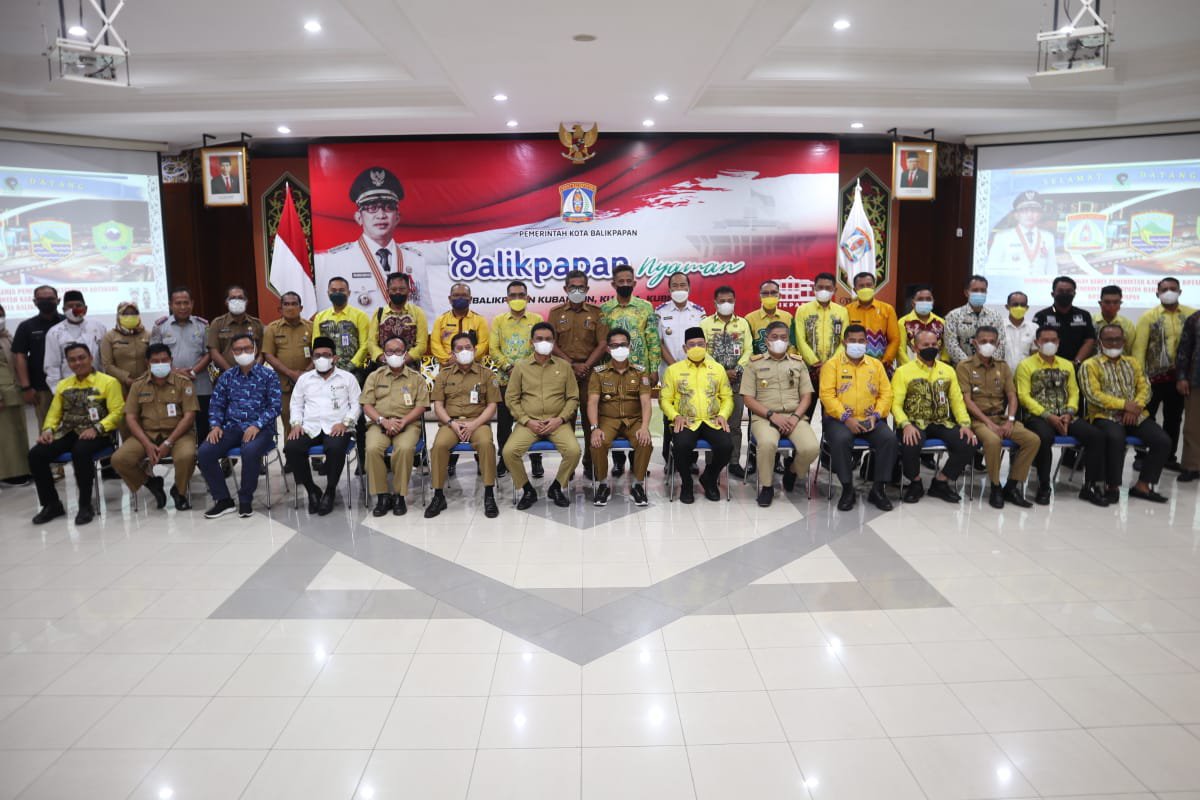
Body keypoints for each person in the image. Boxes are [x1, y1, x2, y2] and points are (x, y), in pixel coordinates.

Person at [28, 343, 124, 525]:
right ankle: (51, 504)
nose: (78, 363)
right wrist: (48, 430)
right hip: (69, 431)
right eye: (72, 360)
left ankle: (85, 505)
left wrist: (97, 428)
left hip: (100, 433)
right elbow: (54, 413)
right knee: (36, 454)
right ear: (68, 363)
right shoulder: (64, 385)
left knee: (80, 451)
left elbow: (118, 412)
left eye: (81, 358)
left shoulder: (109, 382)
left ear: (91, 358)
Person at [315, 167, 427, 314]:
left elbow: (426, 313)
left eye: (388, 207)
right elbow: (327, 313)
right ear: (359, 217)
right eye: (372, 208)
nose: (381, 215)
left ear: (397, 217)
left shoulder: (415, 259)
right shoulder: (338, 259)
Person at [1015, 326, 1107, 506]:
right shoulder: (1025, 365)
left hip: (1066, 415)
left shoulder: (1067, 365)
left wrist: (1069, 412)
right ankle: (1044, 486)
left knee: (1096, 436)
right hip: (1038, 416)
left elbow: (1074, 392)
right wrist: (1048, 415)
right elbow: (1024, 397)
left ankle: (1090, 486)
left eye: (1053, 340)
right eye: (1045, 340)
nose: (1050, 343)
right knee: (1044, 437)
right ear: (1036, 342)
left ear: (1059, 342)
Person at [1081, 324, 1172, 504]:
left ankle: (1142, 486)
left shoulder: (1133, 363)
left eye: (1118, 339)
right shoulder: (1089, 365)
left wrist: (1135, 407)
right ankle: (1112, 486)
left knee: (1163, 441)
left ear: (1124, 341)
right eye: (1109, 340)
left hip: (1136, 415)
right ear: (1100, 342)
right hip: (1104, 416)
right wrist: (1124, 405)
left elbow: (1145, 388)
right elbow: (1093, 394)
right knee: (1116, 438)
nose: (1114, 343)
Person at [197, 333, 282, 519]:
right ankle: (223, 500)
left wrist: (257, 425)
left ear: (255, 349)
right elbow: (216, 404)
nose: (243, 352)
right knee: (204, 452)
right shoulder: (227, 377)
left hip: (261, 429)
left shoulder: (268, 375)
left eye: (247, 348)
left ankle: (245, 499)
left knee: (249, 450)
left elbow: (275, 406)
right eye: (238, 350)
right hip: (231, 427)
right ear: (232, 353)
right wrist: (215, 426)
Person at [956, 326, 1039, 508]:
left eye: (992, 342)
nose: (988, 345)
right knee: (993, 441)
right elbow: (967, 401)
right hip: (978, 420)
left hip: (1001, 418)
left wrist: (1010, 420)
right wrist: (989, 424)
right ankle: (995, 487)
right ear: (975, 343)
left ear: (998, 344)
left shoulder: (1003, 366)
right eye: (983, 341)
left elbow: (1012, 396)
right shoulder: (964, 367)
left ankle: (1012, 486)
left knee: (1032, 440)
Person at [891, 329, 978, 504]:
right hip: (914, 422)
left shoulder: (948, 370)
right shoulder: (903, 372)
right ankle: (915, 482)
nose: (931, 348)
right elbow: (895, 404)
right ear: (915, 348)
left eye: (934, 344)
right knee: (910, 442)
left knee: (969, 442)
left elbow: (957, 401)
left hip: (942, 422)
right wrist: (905, 424)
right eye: (925, 345)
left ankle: (941, 482)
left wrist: (965, 424)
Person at [503, 322, 581, 509]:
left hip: (558, 423)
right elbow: (511, 398)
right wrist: (526, 421)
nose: (544, 342)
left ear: (554, 342)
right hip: (528, 423)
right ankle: (527, 489)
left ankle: (556, 487)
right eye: (539, 339)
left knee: (574, 451)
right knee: (508, 452)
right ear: (531, 342)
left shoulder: (564, 367)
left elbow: (573, 398)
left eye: (548, 339)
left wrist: (560, 419)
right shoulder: (521, 367)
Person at [741, 321, 820, 507]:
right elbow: (748, 399)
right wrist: (771, 415)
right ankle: (767, 487)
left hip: (794, 416)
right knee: (767, 444)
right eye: (774, 337)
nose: (779, 341)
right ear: (766, 340)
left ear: (788, 341)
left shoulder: (798, 363)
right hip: (765, 417)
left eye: (783, 337)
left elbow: (807, 396)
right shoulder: (754, 364)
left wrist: (795, 417)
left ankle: (792, 471)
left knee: (811, 448)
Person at [112, 343, 198, 510]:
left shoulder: (183, 383)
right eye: (155, 361)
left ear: (171, 360)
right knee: (119, 459)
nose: (160, 364)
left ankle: (179, 491)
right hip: (147, 434)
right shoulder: (138, 385)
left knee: (187, 456)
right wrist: (146, 444)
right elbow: (131, 417)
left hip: (179, 434)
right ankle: (151, 483)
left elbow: (189, 417)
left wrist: (168, 443)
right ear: (147, 363)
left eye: (164, 360)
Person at [819, 324, 896, 511]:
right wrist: (846, 418)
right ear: (844, 342)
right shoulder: (832, 365)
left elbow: (886, 394)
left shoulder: (875, 365)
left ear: (867, 342)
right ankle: (847, 489)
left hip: (870, 418)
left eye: (861, 341)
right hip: (839, 420)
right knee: (841, 439)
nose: (857, 344)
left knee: (889, 439)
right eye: (852, 340)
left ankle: (878, 489)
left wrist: (876, 416)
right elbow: (827, 395)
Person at [425, 333, 500, 519]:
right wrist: (451, 423)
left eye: (468, 347)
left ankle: (489, 494)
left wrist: (474, 424)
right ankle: (438, 495)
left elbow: (492, 406)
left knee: (486, 445)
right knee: (439, 446)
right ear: (452, 353)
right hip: (451, 423)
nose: (464, 351)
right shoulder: (443, 375)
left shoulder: (487, 374)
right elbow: (438, 406)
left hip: (478, 422)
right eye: (459, 348)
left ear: (475, 350)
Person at [284, 336, 361, 516]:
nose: (321, 359)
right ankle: (312, 490)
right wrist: (296, 424)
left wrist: (345, 423)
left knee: (335, 448)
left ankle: (330, 491)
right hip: (309, 427)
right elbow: (296, 404)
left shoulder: (347, 378)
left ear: (335, 358)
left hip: (338, 426)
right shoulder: (304, 379)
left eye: (326, 355)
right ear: (312, 358)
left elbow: (357, 404)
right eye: (317, 355)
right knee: (292, 448)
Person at [659, 326, 733, 504]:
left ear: (706, 346)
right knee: (681, 446)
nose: (697, 347)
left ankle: (709, 477)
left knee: (726, 446)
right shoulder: (673, 370)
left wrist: (723, 415)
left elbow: (727, 397)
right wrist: (675, 416)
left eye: (700, 344)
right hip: (686, 421)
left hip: (712, 420)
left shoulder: (717, 369)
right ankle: (686, 483)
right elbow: (664, 400)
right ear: (685, 348)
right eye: (692, 345)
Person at [601, 263, 661, 479]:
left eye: (628, 281)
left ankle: (638, 461)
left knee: (637, 413)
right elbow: (602, 343)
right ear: (613, 284)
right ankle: (618, 462)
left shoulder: (646, 307)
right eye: (621, 281)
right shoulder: (605, 310)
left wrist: (653, 368)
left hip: (640, 370)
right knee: (615, 411)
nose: (625, 284)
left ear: (634, 283)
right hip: (613, 372)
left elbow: (652, 339)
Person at [549, 270, 608, 479]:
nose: (576, 290)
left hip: (591, 374)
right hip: (565, 374)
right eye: (572, 287)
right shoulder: (556, 313)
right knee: (567, 420)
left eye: (580, 287)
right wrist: (572, 365)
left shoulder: (597, 313)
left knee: (592, 420)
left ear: (587, 289)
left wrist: (585, 365)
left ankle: (590, 462)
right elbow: (551, 343)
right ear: (566, 289)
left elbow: (603, 343)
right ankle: (570, 463)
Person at [361, 336, 429, 517]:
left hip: (407, 424)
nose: (394, 355)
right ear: (384, 355)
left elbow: (421, 406)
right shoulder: (374, 376)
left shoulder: (416, 378)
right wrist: (383, 421)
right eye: (390, 351)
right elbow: (366, 405)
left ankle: (399, 495)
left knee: (404, 448)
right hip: (379, 424)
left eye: (398, 351)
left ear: (405, 354)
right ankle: (382, 496)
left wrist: (403, 421)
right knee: (372, 448)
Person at [1132, 277, 1194, 472]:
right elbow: (1139, 349)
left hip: (1179, 378)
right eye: (1165, 289)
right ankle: (1141, 455)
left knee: (1173, 419)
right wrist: (1140, 378)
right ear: (1157, 293)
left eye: (1173, 288)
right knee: (1145, 417)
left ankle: (1169, 457)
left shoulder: (1191, 315)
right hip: (1152, 378)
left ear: (1180, 292)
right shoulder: (1148, 317)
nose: (1169, 292)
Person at [587, 328, 653, 507]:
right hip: (608, 420)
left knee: (645, 442)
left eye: (623, 345)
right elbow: (592, 402)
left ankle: (637, 485)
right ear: (608, 349)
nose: (619, 348)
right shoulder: (599, 372)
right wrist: (595, 428)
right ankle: (603, 484)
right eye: (615, 346)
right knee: (598, 442)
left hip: (634, 420)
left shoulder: (640, 372)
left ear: (630, 347)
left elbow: (646, 402)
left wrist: (644, 427)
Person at [700, 286, 753, 478]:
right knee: (713, 423)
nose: (726, 304)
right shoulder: (705, 324)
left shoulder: (743, 323)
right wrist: (722, 371)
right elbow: (702, 350)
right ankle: (711, 463)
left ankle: (734, 462)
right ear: (715, 303)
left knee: (735, 424)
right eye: (722, 301)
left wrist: (737, 369)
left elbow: (749, 350)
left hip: (737, 381)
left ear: (735, 301)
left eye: (730, 300)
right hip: (712, 382)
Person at [654, 272, 706, 465]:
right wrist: (676, 366)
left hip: (695, 373)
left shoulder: (698, 312)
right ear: (669, 289)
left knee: (693, 412)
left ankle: (690, 459)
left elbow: (703, 343)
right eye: (675, 286)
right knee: (670, 414)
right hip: (669, 372)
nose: (679, 289)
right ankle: (670, 458)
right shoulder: (660, 312)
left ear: (689, 288)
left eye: (682, 285)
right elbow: (658, 342)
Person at [491, 281, 543, 477]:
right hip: (505, 380)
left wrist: (523, 370)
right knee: (504, 424)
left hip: (531, 381)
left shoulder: (537, 319)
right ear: (506, 299)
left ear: (528, 298)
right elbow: (493, 349)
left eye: (521, 295)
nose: (517, 299)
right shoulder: (499, 320)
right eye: (513, 295)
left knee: (534, 420)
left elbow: (540, 345)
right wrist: (508, 367)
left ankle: (536, 460)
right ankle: (504, 459)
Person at [150, 287, 212, 442]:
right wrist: (175, 372)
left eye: (186, 302)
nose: (182, 307)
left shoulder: (203, 325)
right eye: (178, 303)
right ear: (170, 305)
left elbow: (210, 353)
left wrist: (193, 372)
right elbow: (154, 355)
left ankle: (203, 454)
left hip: (200, 383)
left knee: (203, 425)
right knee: (175, 423)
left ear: (192, 303)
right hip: (170, 383)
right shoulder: (160, 326)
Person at [793, 271, 849, 418]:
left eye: (828, 288)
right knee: (805, 413)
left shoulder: (842, 312)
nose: (824, 290)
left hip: (834, 370)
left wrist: (828, 365)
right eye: (820, 287)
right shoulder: (803, 310)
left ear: (835, 290)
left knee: (831, 413)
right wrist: (815, 363)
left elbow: (845, 341)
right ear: (814, 288)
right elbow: (800, 339)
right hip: (808, 371)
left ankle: (828, 433)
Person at [12, 285, 64, 430]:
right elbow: (20, 357)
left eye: (50, 299)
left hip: (71, 384)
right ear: (35, 302)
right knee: (47, 428)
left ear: (58, 300)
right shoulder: (26, 326)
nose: (46, 302)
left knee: (76, 424)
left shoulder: (67, 322)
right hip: (41, 388)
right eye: (41, 299)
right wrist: (26, 387)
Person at [261, 291, 314, 436]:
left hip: (310, 382)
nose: (290, 307)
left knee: (311, 419)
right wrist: (290, 373)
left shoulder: (312, 327)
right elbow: (268, 355)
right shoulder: (272, 329)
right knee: (289, 421)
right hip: (285, 384)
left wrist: (305, 374)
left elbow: (318, 353)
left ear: (301, 308)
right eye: (286, 304)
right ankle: (290, 449)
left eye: (294, 304)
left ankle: (312, 451)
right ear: (280, 309)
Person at [985, 190, 1057, 276]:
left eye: (1034, 210)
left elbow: (1052, 269)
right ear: (1016, 215)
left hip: (1039, 284)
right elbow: (992, 269)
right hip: (1010, 284)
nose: (1029, 215)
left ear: (1040, 214)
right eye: (1024, 211)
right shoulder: (1002, 237)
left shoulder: (1048, 237)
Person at [43, 290, 107, 386]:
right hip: (70, 386)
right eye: (70, 306)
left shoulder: (99, 327)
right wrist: (57, 389)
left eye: (78, 305)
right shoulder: (54, 332)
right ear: (64, 310)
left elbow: (105, 359)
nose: (74, 309)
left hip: (98, 383)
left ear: (85, 308)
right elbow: (52, 365)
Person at [367, 272, 429, 366]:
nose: (398, 292)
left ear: (409, 290)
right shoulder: (379, 313)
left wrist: (405, 359)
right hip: (383, 365)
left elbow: (422, 344)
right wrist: (382, 357)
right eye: (394, 289)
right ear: (387, 291)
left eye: (402, 289)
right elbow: (371, 342)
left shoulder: (418, 313)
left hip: (410, 365)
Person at [312, 276, 371, 373]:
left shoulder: (360, 316)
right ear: (328, 293)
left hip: (354, 370)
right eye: (333, 290)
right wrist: (324, 365)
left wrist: (351, 366)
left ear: (349, 293)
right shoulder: (320, 317)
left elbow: (365, 345)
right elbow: (316, 345)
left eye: (341, 290)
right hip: (326, 369)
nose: (337, 293)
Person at [1033, 276, 1096, 366]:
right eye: (1061, 291)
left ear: (1074, 294)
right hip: (1049, 365)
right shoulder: (1041, 316)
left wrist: (1077, 362)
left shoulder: (1084, 315)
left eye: (1068, 291)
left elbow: (1089, 340)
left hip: (1077, 365)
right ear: (1052, 294)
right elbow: (1036, 344)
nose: (1065, 294)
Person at [0, 303, 31, 484]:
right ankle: (9, 475)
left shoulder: (8, 336)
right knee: (5, 437)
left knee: (19, 434)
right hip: (2, 394)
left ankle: (23, 469)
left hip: (15, 392)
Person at [944, 275, 1007, 365]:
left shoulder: (996, 316)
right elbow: (951, 344)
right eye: (975, 290)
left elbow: (1001, 343)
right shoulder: (953, 316)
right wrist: (969, 365)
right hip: (962, 368)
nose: (979, 293)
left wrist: (988, 364)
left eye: (983, 290)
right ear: (966, 293)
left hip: (990, 368)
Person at [846, 271, 900, 371]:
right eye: (861, 286)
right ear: (855, 289)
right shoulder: (847, 310)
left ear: (874, 286)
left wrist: (885, 361)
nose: (865, 288)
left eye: (869, 285)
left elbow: (894, 339)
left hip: (881, 364)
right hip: (852, 364)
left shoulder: (887, 309)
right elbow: (843, 339)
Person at [206, 286, 264, 376]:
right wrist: (232, 373)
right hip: (227, 375)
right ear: (226, 302)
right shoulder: (217, 324)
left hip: (253, 375)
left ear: (246, 301)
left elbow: (262, 352)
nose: (237, 301)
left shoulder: (257, 324)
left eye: (240, 298)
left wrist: (254, 370)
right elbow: (214, 353)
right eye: (233, 298)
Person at [430, 283, 490, 365]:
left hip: (474, 365)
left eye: (464, 295)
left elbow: (483, 344)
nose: (460, 298)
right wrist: (448, 359)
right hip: (448, 365)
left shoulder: (480, 320)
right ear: (450, 299)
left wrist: (467, 358)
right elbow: (435, 344)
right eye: (456, 295)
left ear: (470, 299)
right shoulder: (440, 320)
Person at [100, 301, 151, 398]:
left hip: (146, 383)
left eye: (133, 313)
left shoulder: (148, 335)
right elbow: (107, 364)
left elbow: (154, 360)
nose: (130, 317)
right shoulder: (109, 337)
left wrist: (143, 379)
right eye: (126, 314)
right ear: (119, 316)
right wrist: (126, 378)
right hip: (119, 385)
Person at [1175, 307, 1200, 482]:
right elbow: (1184, 350)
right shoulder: (1195, 319)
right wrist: (1182, 377)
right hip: (1196, 380)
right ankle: (1192, 466)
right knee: (1193, 427)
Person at [897, 284, 946, 365]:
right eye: (920, 299)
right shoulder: (903, 322)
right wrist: (910, 367)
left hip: (936, 367)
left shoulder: (941, 322)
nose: (924, 302)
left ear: (933, 302)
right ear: (913, 303)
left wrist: (942, 365)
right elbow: (900, 349)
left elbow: (945, 349)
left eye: (928, 299)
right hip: (911, 366)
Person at [1094, 285, 1136, 356]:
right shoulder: (1091, 321)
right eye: (1107, 302)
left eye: (1115, 302)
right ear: (1100, 303)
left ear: (1120, 304)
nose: (1111, 305)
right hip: (1093, 362)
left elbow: (1130, 350)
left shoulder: (1127, 324)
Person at [1002, 291, 1037, 375]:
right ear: (1007, 307)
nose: (1019, 307)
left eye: (1022, 305)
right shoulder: (999, 326)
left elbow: (1035, 355)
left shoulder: (1034, 328)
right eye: (1015, 304)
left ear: (1027, 307)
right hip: (1003, 375)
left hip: (1026, 375)